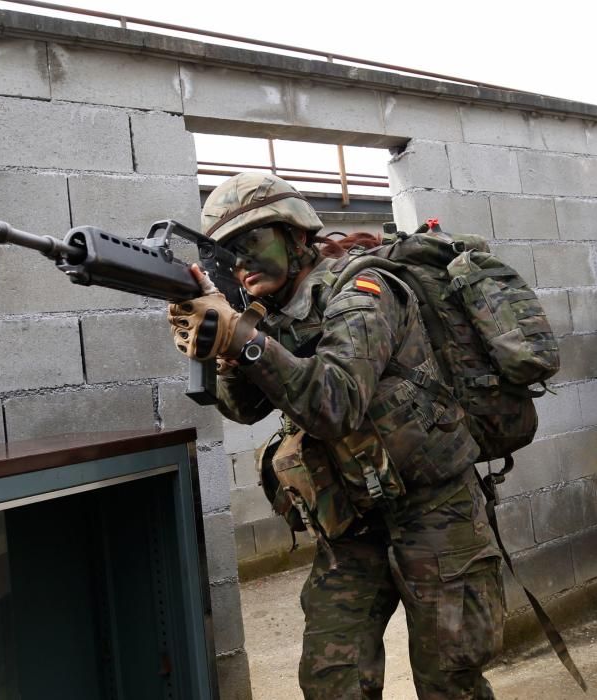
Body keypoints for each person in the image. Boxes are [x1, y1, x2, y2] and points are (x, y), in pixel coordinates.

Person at [167, 172, 504, 699]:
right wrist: (223, 348)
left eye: (251, 241)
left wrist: (247, 339)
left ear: (296, 233)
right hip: (350, 521)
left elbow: (336, 403)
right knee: (331, 680)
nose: (240, 262)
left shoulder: (365, 289)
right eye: (227, 252)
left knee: (450, 679)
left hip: (435, 509)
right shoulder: (272, 314)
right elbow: (244, 409)